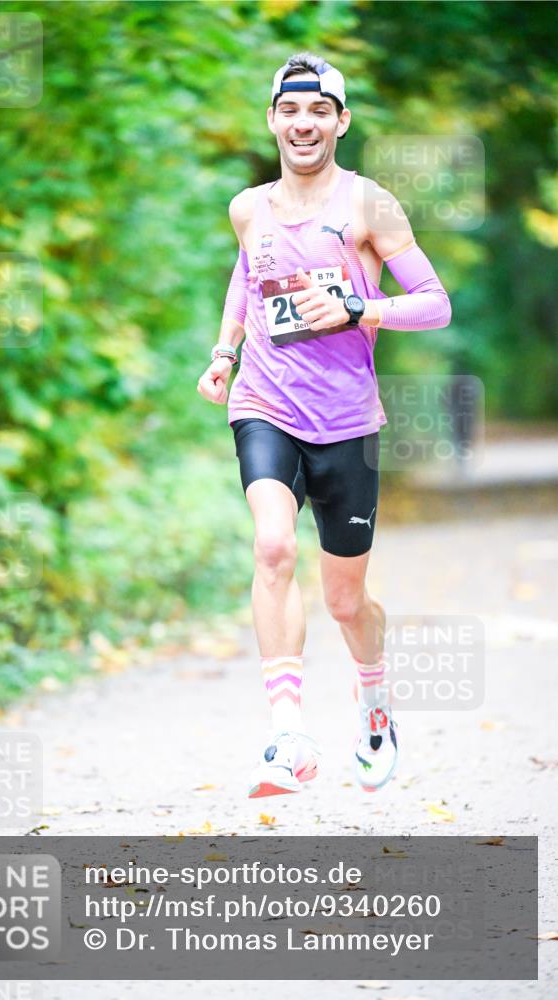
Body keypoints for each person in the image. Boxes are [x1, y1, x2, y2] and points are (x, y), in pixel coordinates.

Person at [197, 53, 451, 798]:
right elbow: (246, 274)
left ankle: (373, 703)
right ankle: (288, 735)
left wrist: (358, 309)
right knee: (272, 546)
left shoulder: (369, 205)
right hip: (265, 405)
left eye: (318, 112)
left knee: (345, 598)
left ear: (340, 120)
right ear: (272, 119)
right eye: (289, 111)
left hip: (345, 420)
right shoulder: (249, 207)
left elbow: (434, 302)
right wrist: (224, 351)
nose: (302, 124)